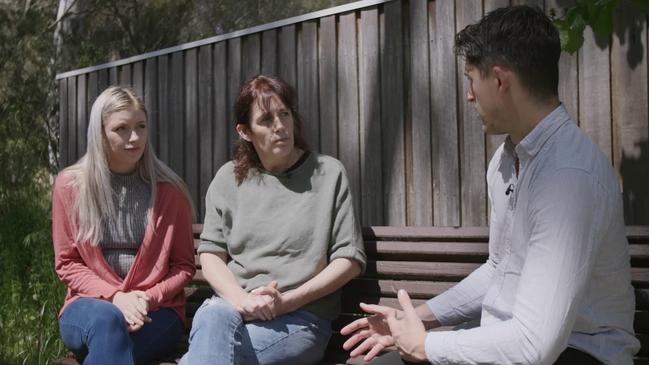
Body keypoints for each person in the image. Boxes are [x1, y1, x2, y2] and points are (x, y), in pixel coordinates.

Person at [341, 5, 640, 365]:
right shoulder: (505, 161)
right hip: (508, 341)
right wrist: (414, 321)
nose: (469, 95)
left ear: (499, 80)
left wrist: (427, 347)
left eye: (471, 79)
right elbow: (501, 270)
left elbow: (533, 346)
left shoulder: (568, 178)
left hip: (578, 352)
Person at [180, 74, 367, 365]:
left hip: (301, 318)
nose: (280, 126)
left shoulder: (329, 173)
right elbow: (211, 254)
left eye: (285, 114)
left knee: (202, 357)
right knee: (214, 314)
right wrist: (242, 300)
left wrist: (286, 303)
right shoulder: (227, 179)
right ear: (245, 132)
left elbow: (349, 260)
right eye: (266, 120)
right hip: (234, 310)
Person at [52, 86, 196, 365]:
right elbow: (68, 263)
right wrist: (116, 297)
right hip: (88, 308)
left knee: (109, 345)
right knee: (107, 321)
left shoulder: (170, 191)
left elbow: (183, 266)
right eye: (122, 128)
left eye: (141, 126)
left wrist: (146, 298)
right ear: (100, 134)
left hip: (156, 311)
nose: (135, 138)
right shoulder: (70, 187)